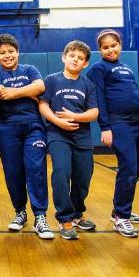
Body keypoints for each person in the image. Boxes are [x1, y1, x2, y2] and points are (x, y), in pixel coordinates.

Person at [0, 34, 53, 239]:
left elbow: (41, 87)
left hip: (34, 126)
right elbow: (0, 94)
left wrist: (14, 92)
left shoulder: (30, 70)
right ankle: (20, 212)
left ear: (17, 52)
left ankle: (40, 216)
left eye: (10, 51)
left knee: (36, 169)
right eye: (2, 53)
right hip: (7, 128)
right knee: (13, 173)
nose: (7, 55)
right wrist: (28, 92)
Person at [87, 29, 139, 238]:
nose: (111, 50)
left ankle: (122, 209)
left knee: (136, 169)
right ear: (100, 50)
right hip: (118, 123)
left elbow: (136, 96)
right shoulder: (98, 69)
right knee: (128, 167)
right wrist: (105, 127)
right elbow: (99, 99)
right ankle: (121, 217)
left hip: (136, 123)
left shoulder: (126, 68)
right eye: (105, 47)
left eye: (114, 45)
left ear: (120, 45)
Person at [39, 41, 98, 240]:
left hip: (82, 137)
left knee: (83, 178)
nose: (75, 59)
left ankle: (77, 214)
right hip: (58, 136)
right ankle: (65, 218)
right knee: (61, 174)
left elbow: (93, 112)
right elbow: (43, 105)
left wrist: (75, 117)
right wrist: (58, 121)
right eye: (72, 56)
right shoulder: (52, 80)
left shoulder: (88, 84)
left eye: (80, 58)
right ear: (64, 57)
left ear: (85, 64)